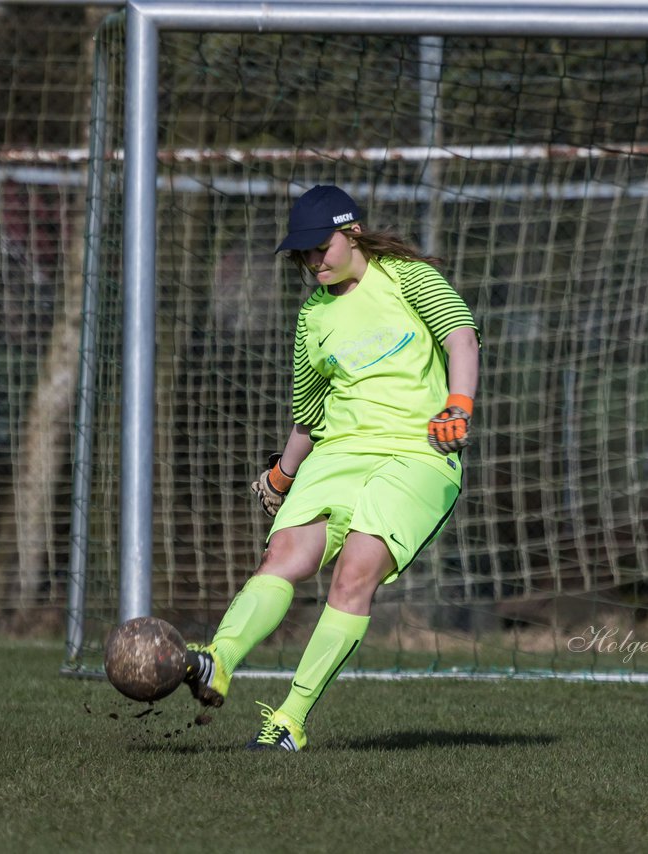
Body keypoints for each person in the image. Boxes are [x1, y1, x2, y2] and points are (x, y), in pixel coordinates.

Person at [183, 184, 481, 750]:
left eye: (320, 247)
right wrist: (282, 474)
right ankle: (217, 660)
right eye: (302, 253)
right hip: (338, 453)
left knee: (353, 575)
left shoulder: (406, 276)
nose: (312, 261)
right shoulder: (313, 316)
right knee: (283, 556)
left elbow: (462, 338)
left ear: (351, 233)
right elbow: (309, 414)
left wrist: (458, 406)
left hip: (418, 455)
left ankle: (288, 721)